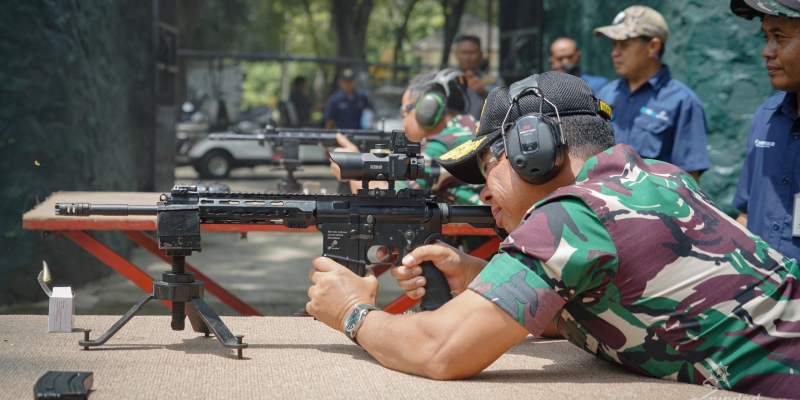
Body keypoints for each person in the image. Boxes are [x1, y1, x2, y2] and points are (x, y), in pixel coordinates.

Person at [306, 71, 800, 399]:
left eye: (486, 165)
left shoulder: (575, 214)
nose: (481, 194)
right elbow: (635, 314)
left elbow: (441, 351)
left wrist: (352, 312)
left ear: (531, 151)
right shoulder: (661, 177)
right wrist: (483, 277)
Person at [330, 69, 482, 206]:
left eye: (404, 112)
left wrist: (352, 169)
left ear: (426, 109)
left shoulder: (444, 145)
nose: (403, 124)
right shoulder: (470, 128)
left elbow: (385, 201)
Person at [594, 6, 709, 182]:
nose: (615, 52)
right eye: (614, 45)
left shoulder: (683, 102)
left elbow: (688, 181)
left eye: (624, 44)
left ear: (653, 47)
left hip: (651, 209)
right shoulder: (605, 94)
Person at [731, 0, 800, 261]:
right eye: (766, 37)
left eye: (779, 37)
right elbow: (746, 213)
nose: (766, 51)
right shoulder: (766, 116)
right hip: (761, 293)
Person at [453, 35, 500, 119]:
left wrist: (483, 92)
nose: (467, 57)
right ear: (456, 54)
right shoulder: (449, 80)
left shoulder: (491, 81)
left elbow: (501, 105)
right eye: (463, 53)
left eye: (472, 53)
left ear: (480, 55)